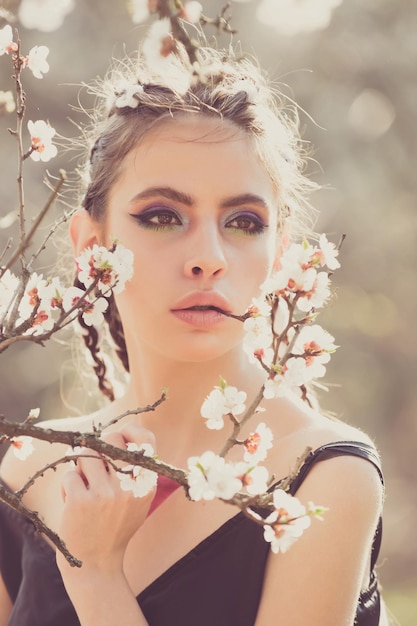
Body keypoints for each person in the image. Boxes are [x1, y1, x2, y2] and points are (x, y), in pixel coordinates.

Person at [0, 30, 386, 626]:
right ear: (91, 246)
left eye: (242, 220)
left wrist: (96, 572)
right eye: (162, 215)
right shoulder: (29, 466)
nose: (209, 256)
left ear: (279, 252)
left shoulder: (325, 481)